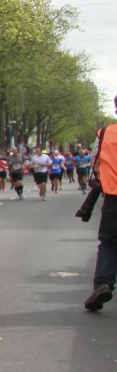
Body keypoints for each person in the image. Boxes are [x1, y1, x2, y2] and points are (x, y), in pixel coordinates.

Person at [85, 96, 117, 312]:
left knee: (109, 243)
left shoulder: (105, 133)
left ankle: (103, 284)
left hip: (114, 195)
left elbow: (94, 162)